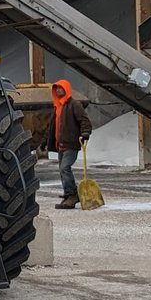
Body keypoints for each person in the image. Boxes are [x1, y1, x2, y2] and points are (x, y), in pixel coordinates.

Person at [46, 79, 92, 209]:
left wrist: (85, 132)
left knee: (65, 168)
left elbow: (84, 120)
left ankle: (72, 194)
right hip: (60, 144)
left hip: (71, 143)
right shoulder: (57, 106)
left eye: (61, 88)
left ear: (66, 89)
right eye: (56, 88)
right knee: (62, 170)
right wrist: (45, 141)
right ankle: (68, 195)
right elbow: (53, 127)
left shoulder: (74, 105)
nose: (58, 90)